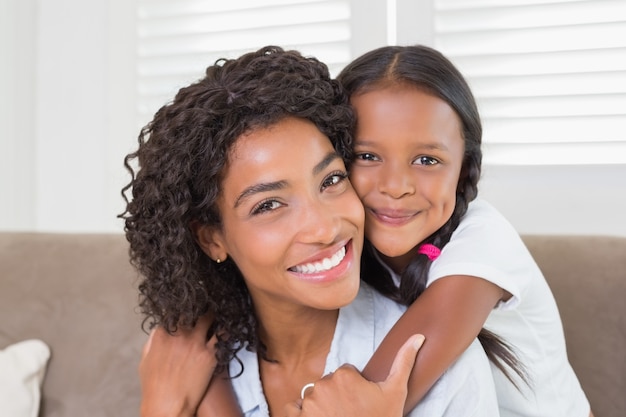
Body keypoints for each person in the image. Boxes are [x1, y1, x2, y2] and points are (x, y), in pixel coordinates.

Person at [121, 46, 500, 417]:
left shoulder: (443, 367)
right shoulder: (190, 366)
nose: (324, 228)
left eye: (331, 180)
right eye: (268, 205)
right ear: (211, 238)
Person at [333, 44, 593, 417]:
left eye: (427, 160)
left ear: (463, 170)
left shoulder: (484, 241)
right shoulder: (338, 250)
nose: (395, 185)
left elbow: (370, 401)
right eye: (367, 156)